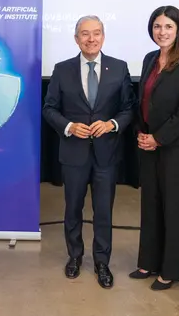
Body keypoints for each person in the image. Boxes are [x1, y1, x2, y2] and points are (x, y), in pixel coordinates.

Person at [42, 15, 135, 289]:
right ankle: (74, 256)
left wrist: (112, 124)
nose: (91, 39)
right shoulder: (62, 69)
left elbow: (128, 108)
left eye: (96, 33)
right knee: (73, 209)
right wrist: (69, 126)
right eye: (85, 34)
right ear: (76, 38)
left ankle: (102, 262)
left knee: (103, 211)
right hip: (73, 154)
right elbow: (49, 108)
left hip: (107, 155)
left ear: (103, 37)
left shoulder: (119, 68)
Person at [130, 5, 179, 290]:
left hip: (175, 147)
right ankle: (148, 261)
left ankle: (170, 270)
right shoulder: (151, 58)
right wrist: (141, 132)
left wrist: (159, 138)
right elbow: (142, 101)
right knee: (150, 205)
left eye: (168, 27)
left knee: (173, 209)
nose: (162, 32)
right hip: (147, 144)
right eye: (157, 26)